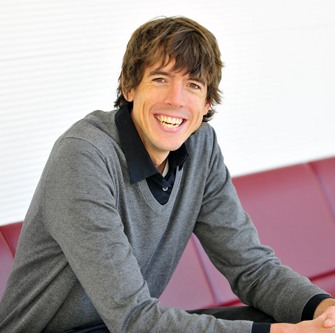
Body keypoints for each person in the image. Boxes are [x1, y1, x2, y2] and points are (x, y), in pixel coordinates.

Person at [0, 16, 334, 333]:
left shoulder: (201, 146)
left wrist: (324, 312)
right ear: (129, 88)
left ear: (206, 104)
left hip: (124, 326)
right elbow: (134, 320)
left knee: (280, 315)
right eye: (160, 78)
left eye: (192, 84)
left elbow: (253, 269)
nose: (175, 100)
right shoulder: (84, 154)